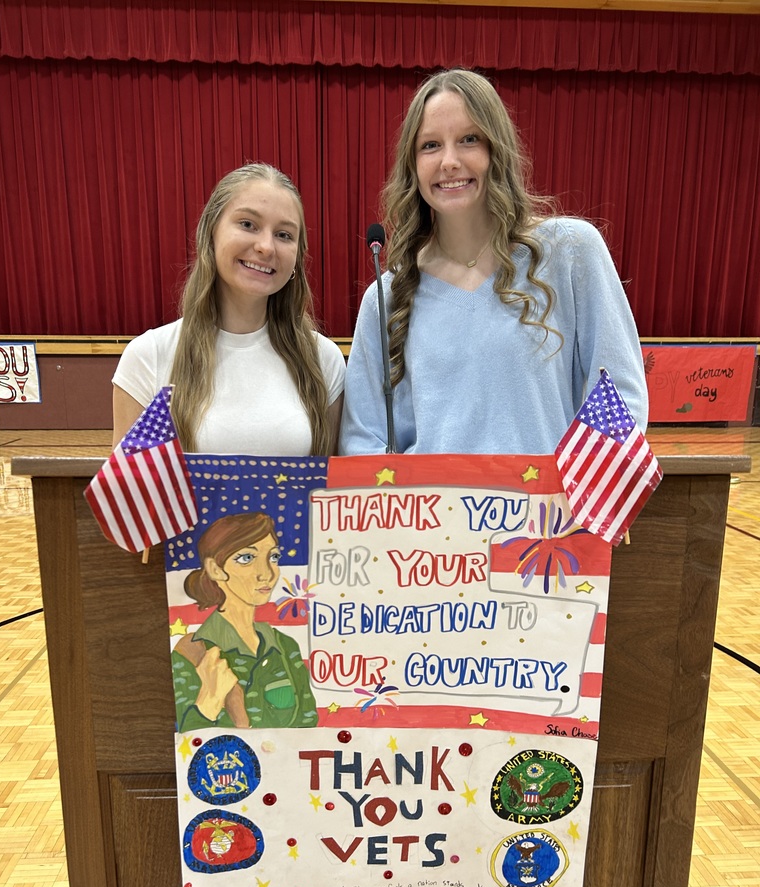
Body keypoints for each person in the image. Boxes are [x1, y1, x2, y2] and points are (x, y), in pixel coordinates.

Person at [340, 70, 648, 456]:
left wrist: (573, 508)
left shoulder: (570, 251)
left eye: (469, 139)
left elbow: (619, 398)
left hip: (551, 515)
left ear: (496, 149)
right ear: (412, 165)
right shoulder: (385, 298)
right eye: (431, 145)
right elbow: (362, 440)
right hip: (432, 517)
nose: (449, 161)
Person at [113, 163, 345, 455]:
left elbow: (333, 488)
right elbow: (128, 491)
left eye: (284, 234)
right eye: (248, 224)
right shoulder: (148, 356)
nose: (266, 247)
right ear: (211, 234)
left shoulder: (324, 360)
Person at [172, 513, 318, 731]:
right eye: (246, 558)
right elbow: (187, 749)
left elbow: (308, 728)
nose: (266, 573)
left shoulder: (286, 648)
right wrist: (209, 700)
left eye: (273, 557)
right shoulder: (190, 653)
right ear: (215, 569)